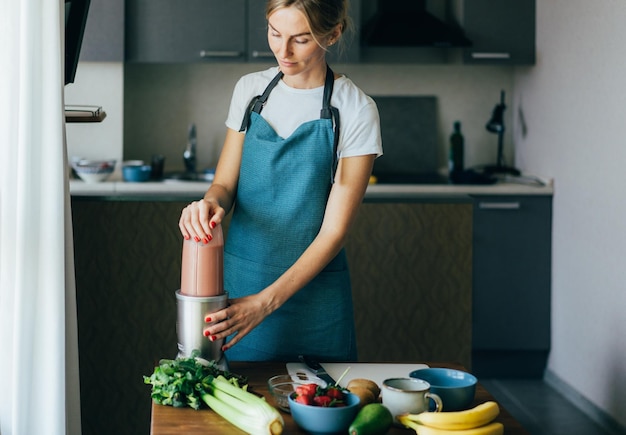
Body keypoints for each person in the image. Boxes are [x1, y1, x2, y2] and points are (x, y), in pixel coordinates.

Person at [178, 0, 382, 362]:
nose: (283, 51)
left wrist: (265, 303)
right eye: (275, 33)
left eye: (300, 39)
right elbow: (224, 185)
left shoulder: (355, 109)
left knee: (321, 408)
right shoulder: (250, 92)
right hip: (241, 287)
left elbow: (334, 232)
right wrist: (209, 203)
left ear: (332, 34)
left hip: (314, 300)